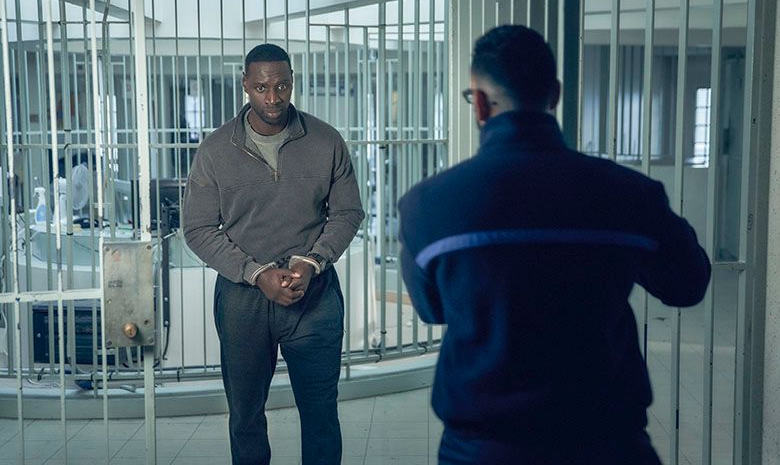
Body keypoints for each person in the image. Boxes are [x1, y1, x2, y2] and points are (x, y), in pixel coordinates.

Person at [398, 25, 711, 464]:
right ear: (555, 95)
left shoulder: (427, 205)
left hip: (484, 450)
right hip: (608, 444)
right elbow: (688, 285)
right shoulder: (629, 194)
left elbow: (433, 310)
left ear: (481, 103)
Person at [183, 43, 365, 465]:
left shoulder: (326, 140)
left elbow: (347, 212)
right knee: (246, 417)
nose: (273, 98)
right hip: (243, 299)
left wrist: (312, 261)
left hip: (313, 296)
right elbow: (197, 228)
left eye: (282, 86)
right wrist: (255, 272)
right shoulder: (215, 150)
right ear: (245, 84)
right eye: (262, 87)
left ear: (292, 82)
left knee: (320, 414)